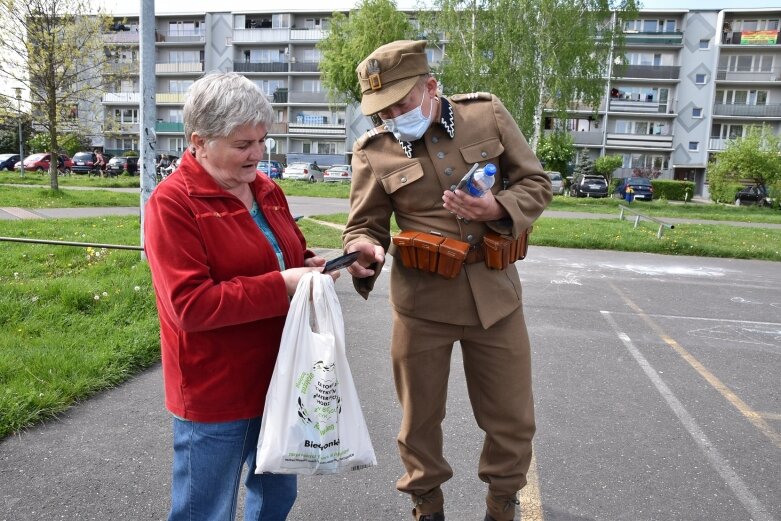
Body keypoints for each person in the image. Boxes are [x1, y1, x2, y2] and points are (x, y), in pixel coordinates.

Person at [342, 40, 552, 521]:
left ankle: (502, 503)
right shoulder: (373, 150)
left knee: (512, 418)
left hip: (496, 299)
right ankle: (427, 504)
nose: (392, 116)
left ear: (431, 87)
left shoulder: (487, 115)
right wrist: (363, 249)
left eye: (401, 103)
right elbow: (364, 224)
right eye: (382, 110)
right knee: (418, 423)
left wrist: (498, 207)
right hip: (422, 305)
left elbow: (536, 183)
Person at [143, 71, 335, 521]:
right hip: (217, 389)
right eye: (242, 144)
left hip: (281, 376)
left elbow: (282, 250)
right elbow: (190, 306)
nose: (258, 154)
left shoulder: (267, 190)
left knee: (275, 498)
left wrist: (309, 266)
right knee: (203, 509)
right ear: (199, 141)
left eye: (262, 139)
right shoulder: (173, 204)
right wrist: (282, 286)